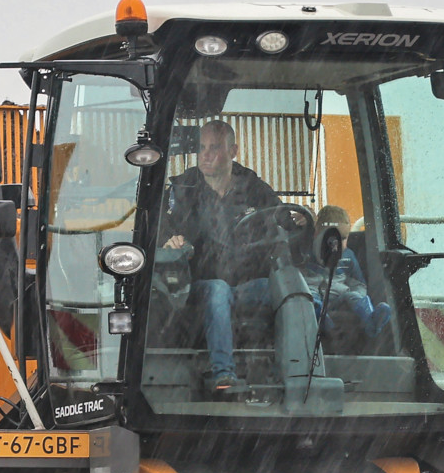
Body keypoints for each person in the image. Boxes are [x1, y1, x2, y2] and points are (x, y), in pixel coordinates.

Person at [163, 120, 296, 396]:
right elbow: (160, 228)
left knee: (292, 290)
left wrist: (300, 221)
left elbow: (283, 217)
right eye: (201, 147)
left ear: (233, 150)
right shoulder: (182, 189)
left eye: (214, 147)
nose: (206, 154)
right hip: (198, 286)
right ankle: (224, 374)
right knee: (218, 290)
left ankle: (302, 372)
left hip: (248, 284)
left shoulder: (254, 188)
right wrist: (170, 240)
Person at [309, 204, 394, 352]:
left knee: (354, 295)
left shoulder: (348, 256)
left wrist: (356, 295)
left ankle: (371, 321)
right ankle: (323, 324)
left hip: (337, 299)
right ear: (316, 234)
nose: (337, 244)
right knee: (310, 300)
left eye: (343, 238)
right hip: (312, 295)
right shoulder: (306, 252)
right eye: (330, 239)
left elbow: (358, 283)